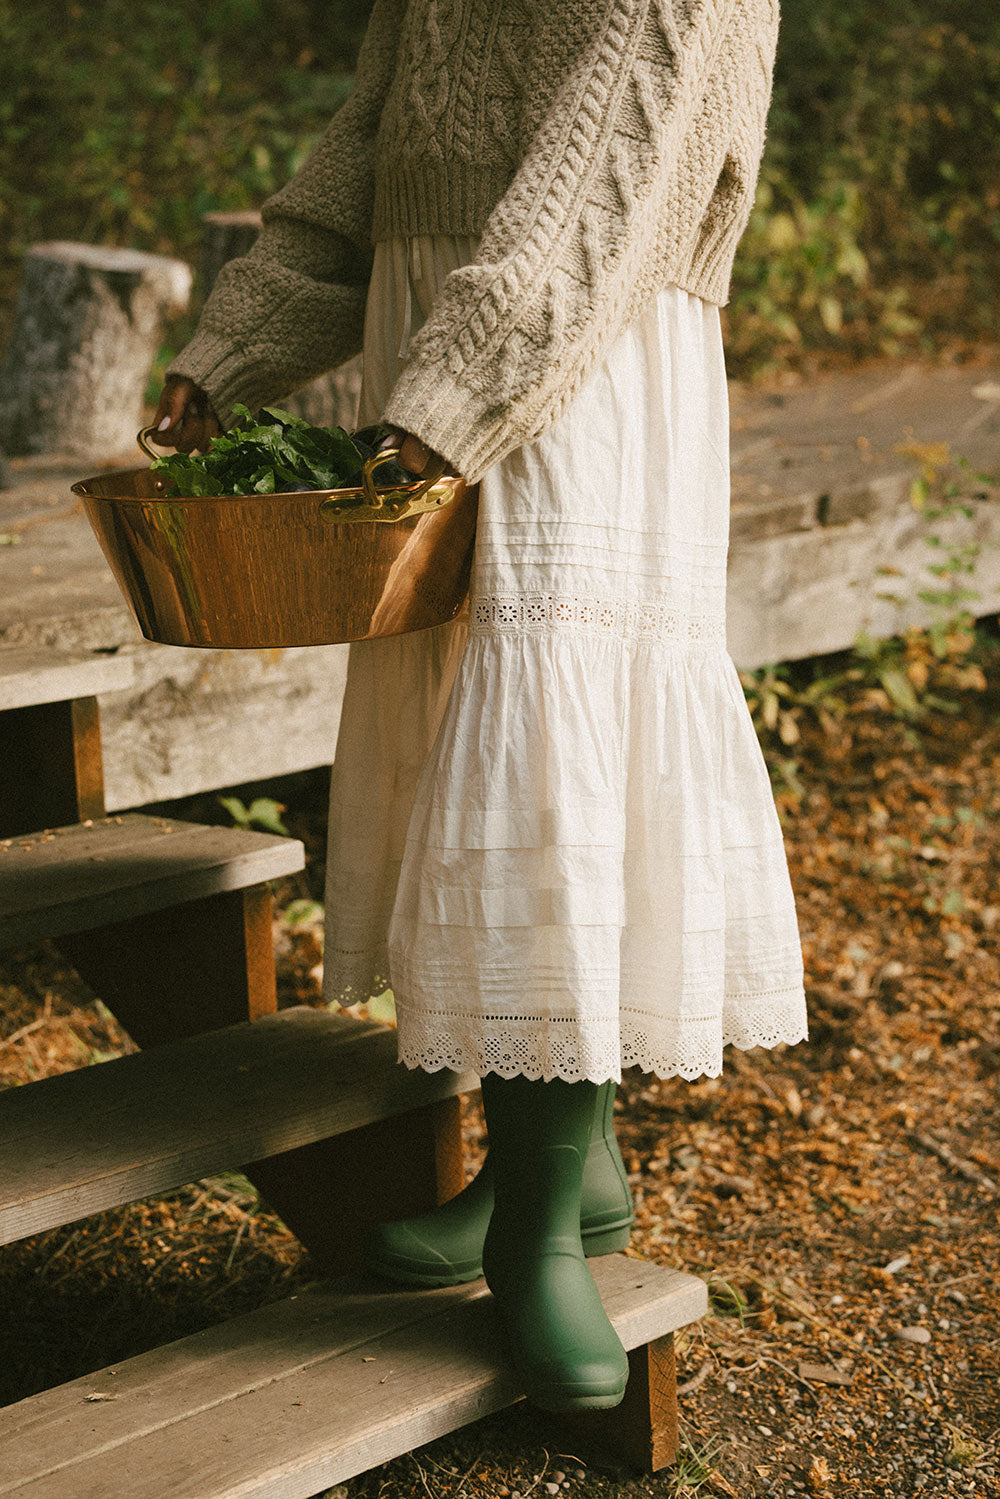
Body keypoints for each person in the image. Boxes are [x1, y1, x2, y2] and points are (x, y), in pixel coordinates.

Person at [153, 0, 809, 1414]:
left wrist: (445, 400)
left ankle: (529, 1236)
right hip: (452, 351)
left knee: (551, 760)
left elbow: (602, 197)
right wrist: (232, 347)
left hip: (583, 364)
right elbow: (373, 150)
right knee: (483, 738)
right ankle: (561, 1174)